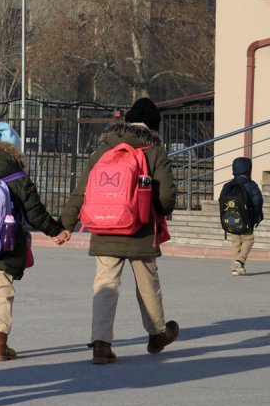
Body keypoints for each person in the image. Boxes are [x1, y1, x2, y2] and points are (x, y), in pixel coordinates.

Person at [54, 97, 179, 365]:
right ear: (154, 127)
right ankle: (157, 334)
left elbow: (81, 192)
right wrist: (151, 206)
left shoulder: (103, 151)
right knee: (147, 283)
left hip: (104, 225)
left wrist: (65, 225)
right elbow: (167, 199)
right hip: (141, 229)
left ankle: (101, 344)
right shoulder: (154, 152)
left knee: (105, 284)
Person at [0, 121, 63, 361]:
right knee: (3, 290)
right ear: (15, 150)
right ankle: (0, 344)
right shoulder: (18, 178)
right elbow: (36, 214)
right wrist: (56, 230)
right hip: (6, 244)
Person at [222, 157, 264, 276]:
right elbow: (257, 201)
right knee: (248, 239)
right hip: (246, 219)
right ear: (248, 169)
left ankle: (236, 268)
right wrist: (258, 216)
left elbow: (221, 201)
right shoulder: (250, 185)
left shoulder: (228, 186)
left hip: (231, 219)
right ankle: (239, 261)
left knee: (236, 241)